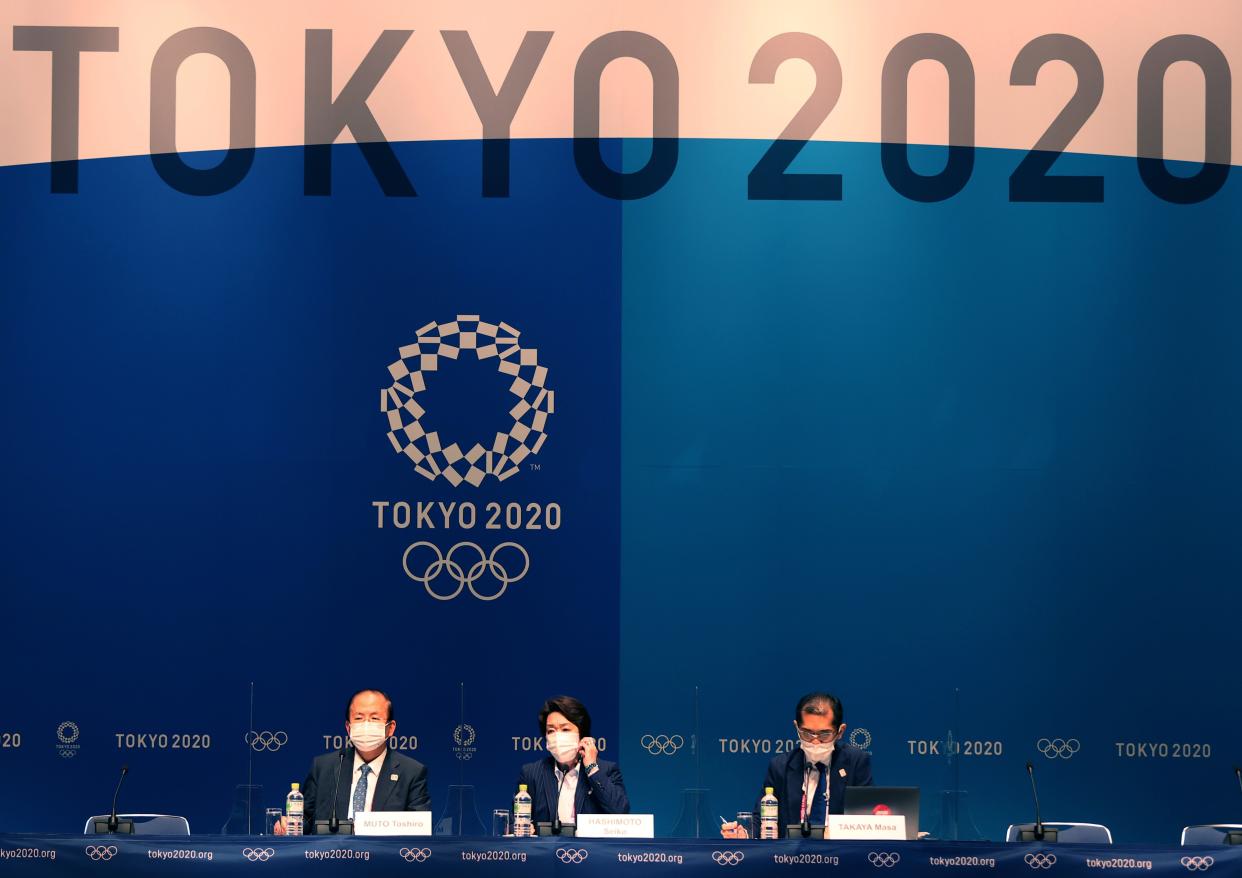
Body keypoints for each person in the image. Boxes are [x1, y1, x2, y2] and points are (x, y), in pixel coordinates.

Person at [274, 688, 429, 834]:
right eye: (359, 718)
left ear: (391, 728)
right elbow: (306, 819)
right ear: (348, 727)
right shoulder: (323, 767)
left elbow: (419, 831)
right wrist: (290, 824)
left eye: (374, 718)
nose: (366, 724)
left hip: (385, 859)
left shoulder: (411, 772)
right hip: (331, 857)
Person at [722, 692, 872, 838]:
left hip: (842, 856)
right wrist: (745, 833)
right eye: (807, 733)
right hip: (791, 857)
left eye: (824, 734)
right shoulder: (781, 766)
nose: (815, 742)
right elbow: (762, 820)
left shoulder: (856, 762)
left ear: (840, 731)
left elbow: (867, 819)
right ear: (796, 727)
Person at [514, 695, 629, 830]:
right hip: (546, 850)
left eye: (565, 729)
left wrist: (592, 768)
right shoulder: (531, 773)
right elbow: (515, 821)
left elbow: (621, 813)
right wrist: (524, 827)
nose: (557, 736)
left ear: (582, 734)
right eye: (551, 731)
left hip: (593, 851)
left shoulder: (606, 770)